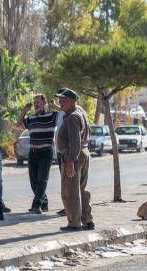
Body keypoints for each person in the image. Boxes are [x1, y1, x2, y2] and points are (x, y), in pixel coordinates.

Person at [55, 89, 94, 232]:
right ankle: (87, 220)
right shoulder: (81, 112)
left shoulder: (72, 117)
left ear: (71, 102)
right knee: (81, 189)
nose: (59, 103)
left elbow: (74, 141)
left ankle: (74, 223)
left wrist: (71, 161)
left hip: (74, 155)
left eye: (62, 100)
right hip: (83, 153)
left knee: (70, 191)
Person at [16, 94, 59, 215]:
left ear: (44, 103)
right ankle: (43, 203)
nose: (36, 105)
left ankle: (36, 205)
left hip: (46, 152)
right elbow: (18, 124)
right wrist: (24, 110)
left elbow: (64, 114)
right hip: (33, 152)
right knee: (33, 181)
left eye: (38, 102)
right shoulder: (31, 119)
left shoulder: (51, 116)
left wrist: (55, 105)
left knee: (42, 180)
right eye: (34, 103)